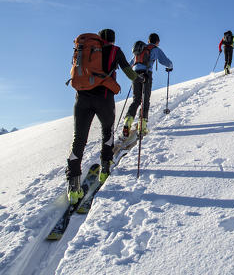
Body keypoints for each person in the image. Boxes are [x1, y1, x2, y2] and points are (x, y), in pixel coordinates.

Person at [66, 29, 139, 204]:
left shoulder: (86, 51)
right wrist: (139, 79)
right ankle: (105, 169)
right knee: (107, 132)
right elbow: (128, 72)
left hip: (82, 99)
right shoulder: (115, 50)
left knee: (79, 139)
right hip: (104, 98)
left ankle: (73, 187)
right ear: (113, 39)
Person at [123, 32, 173, 138]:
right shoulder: (155, 49)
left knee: (136, 100)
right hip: (146, 74)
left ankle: (127, 121)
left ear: (148, 40)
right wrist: (170, 66)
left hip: (135, 74)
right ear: (157, 42)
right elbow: (165, 61)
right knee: (145, 99)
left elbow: (131, 63)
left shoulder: (140, 49)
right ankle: (143, 126)